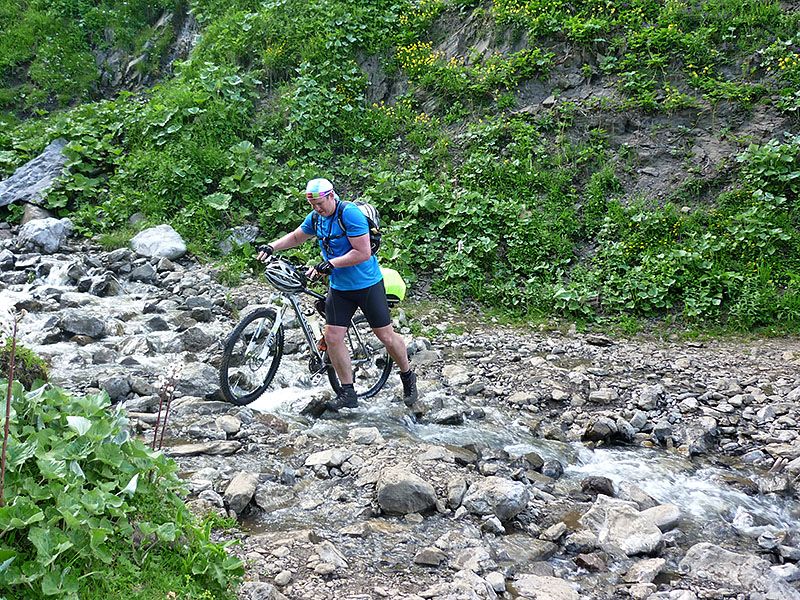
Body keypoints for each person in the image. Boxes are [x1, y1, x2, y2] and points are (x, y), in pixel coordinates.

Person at [257, 177, 418, 411]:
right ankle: (347, 392)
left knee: (386, 336)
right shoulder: (317, 218)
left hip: (367, 285)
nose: (317, 209)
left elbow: (362, 252)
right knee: (332, 338)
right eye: (313, 205)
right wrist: (271, 246)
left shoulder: (349, 214)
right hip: (340, 288)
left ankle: (407, 376)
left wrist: (330, 263)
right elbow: (296, 237)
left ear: (332, 196)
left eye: (320, 203)